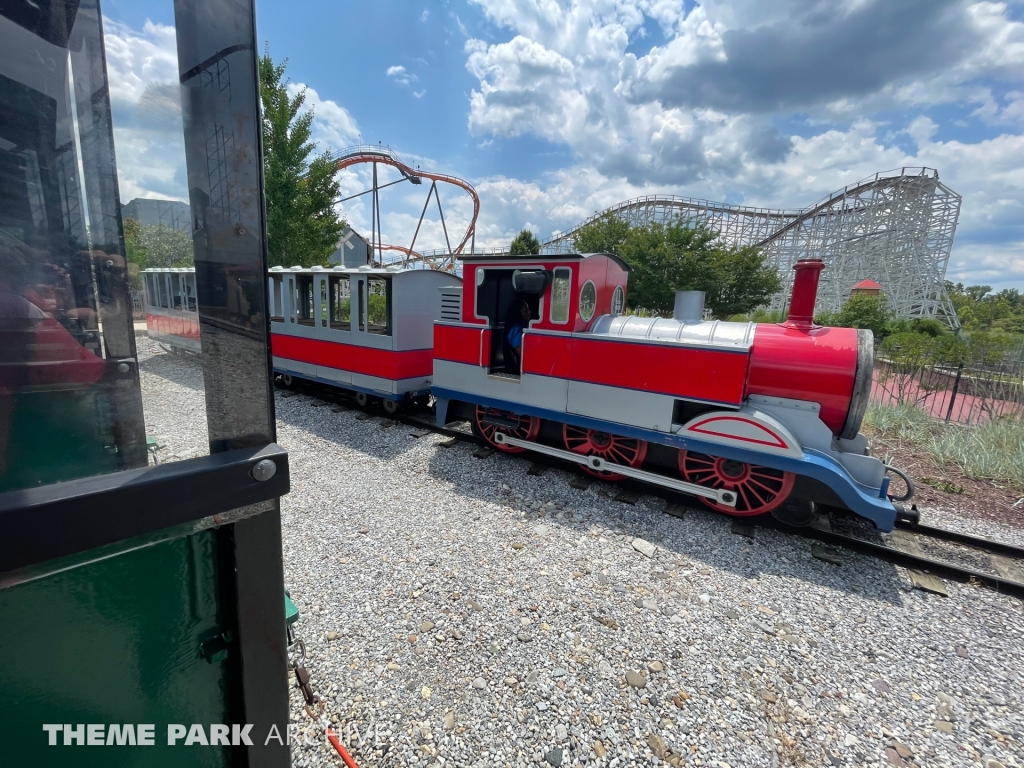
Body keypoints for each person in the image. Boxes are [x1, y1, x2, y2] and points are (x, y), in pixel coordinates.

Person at [503, 298, 531, 374]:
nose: (529, 312)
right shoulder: (515, 330)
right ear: (517, 313)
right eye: (525, 311)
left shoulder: (520, 327)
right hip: (516, 369)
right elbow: (522, 353)